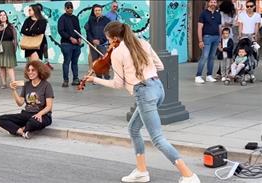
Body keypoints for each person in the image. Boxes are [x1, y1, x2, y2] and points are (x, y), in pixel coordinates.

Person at [84, 22, 200, 183]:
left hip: (144, 93)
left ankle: (188, 175)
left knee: (157, 139)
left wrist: (95, 79)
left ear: (116, 38)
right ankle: (141, 171)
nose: (109, 44)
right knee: (133, 129)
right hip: (158, 89)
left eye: (109, 40)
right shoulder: (143, 43)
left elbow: (117, 84)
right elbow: (159, 65)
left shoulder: (118, 53)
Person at [0, 61, 54, 139]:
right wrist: (14, 90)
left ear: (39, 71)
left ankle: (19, 129)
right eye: (28, 70)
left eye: (33, 70)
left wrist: (39, 114)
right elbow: (20, 103)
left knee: (33, 122)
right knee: (0, 119)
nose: (30, 72)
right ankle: (22, 131)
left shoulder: (46, 85)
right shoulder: (27, 85)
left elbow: (49, 106)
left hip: (42, 115)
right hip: (27, 114)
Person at [0, 10, 17, 89]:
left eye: (4, 15)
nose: (3, 16)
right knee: (1, 66)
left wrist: (15, 47)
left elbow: (15, 38)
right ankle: (4, 83)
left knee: (9, 65)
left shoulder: (11, 26)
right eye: (1, 15)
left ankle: (13, 82)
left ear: (6, 16)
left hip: (9, 47)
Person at [195, 0, 221, 84]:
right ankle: (198, 76)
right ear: (208, 3)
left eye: (214, 2)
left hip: (216, 37)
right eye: (211, 2)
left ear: (216, 4)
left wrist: (220, 40)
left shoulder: (218, 14)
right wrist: (200, 40)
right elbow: (199, 28)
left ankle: (209, 75)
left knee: (212, 57)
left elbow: (219, 27)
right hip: (207, 37)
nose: (213, 4)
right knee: (204, 56)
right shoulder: (203, 13)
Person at [58, 1, 82, 87]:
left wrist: (79, 38)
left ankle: (75, 79)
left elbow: (78, 29)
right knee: (67, 61)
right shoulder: (62, 18)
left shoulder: (75, 18)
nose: (70, 9)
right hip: (66, 44)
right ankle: (66, 80)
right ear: (65, 8)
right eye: (68, 7)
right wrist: (70, 38)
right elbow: (61, 31)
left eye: (71, 7)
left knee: (75, 62)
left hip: (76, 44)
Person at [85, 4, 111, 79]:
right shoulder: (90, 20)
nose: (97, 12)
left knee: (105, 61)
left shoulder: (106, 20)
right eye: (96, 10)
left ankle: (106, 77)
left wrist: (100, 41)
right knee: (95, 61)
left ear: (101, 11)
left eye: (99, 10)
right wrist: (92, 40)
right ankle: (98, 77)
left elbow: (108, 33)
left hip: (103, 44)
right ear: (93, 11)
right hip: (93, 44)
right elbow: (88, 32)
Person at [36, 3, 54, 70]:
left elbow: (47, 26)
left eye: (40, 8)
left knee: (45, 48)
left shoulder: (44, 16)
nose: (39, 9)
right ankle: (38, 64)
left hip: (43, 36)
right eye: (37, 8)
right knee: (37, 49)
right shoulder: (33, 16)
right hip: (35, 37)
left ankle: (46, 63)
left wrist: (48, 34)